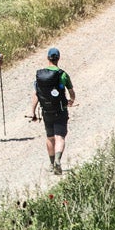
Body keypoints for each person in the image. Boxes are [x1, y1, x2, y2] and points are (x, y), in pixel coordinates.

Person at [29, 46, 76, 174]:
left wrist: (32, 112)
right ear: (58, 59)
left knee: (50, 138)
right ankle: (58, 160)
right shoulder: (63, 74)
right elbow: (71, 92)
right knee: (60, 137)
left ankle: (51, 164)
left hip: (46, 111)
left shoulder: (40, 76)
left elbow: (36, 95)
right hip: (60, 110)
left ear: (48, 58)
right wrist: (71, 101)